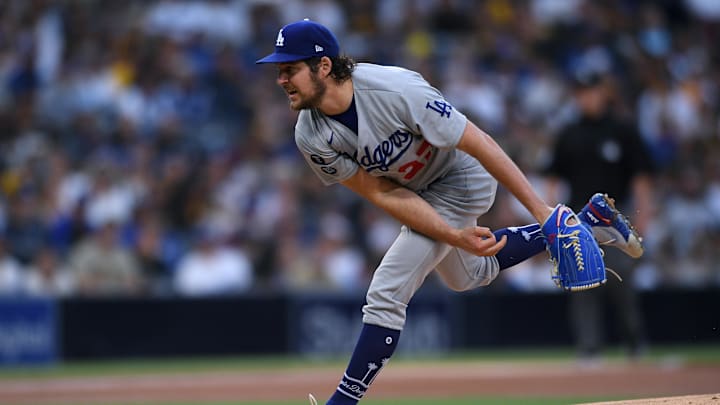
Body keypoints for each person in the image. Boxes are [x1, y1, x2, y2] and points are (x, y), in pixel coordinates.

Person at [256, 20, 642, 405]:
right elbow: (379, 192)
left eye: (290, 69)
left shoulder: (395, 89)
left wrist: (542, 211)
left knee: (386, 291)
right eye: (279, 71)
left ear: (323, 66)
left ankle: (341, 403)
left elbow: (481, 143)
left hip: (460, 177)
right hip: (416, 193)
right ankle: (591, 220)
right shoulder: (309, 134)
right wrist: (450, 234)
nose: (281, 80)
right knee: (469, 275)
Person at [545, 70, 654, 362]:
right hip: (578, 221)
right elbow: (553, 179)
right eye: (580, 93)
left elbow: (641, 176)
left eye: (590, 91)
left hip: (616, 220)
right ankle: (589, 348)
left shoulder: (622, 129)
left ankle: (634, 343)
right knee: (582, 284)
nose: (585, 98)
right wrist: (551, 219)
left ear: (603, 92)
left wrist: (644, 217)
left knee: (623, 284)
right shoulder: (569, 133)